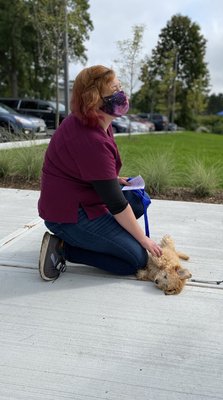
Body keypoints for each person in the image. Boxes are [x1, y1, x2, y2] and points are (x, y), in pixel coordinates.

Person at [37, 65, 162, 281]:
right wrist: (144, 239)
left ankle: (97, 239)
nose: (121, 95)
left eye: (119, 87)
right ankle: (64, 247)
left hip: (85, 197)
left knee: (139, 200)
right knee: (136, 258)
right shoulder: (90, 139)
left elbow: (82, 168)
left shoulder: (100, 121)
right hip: (68, 215)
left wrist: (111, 179)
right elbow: (116, 204)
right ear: (94, 100)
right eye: (114, 91)